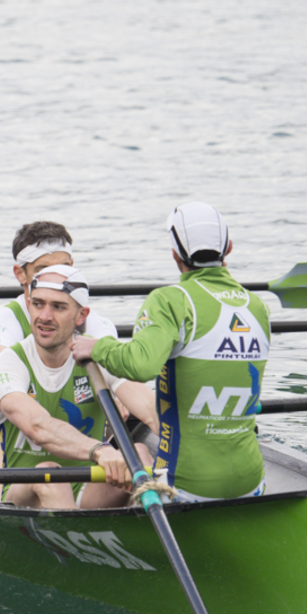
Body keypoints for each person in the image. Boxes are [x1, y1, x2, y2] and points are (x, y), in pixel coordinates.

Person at [72, 202, 270, 501]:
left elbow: (141, 366)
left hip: (187, 485)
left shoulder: (170, 300)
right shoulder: (258, 306)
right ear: (228, 247)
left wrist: (98, 346)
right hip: (251, 479)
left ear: (175, 254)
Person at [0, 222, 118, 497]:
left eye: (63, 267)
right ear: (21, 274)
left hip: (57, 447)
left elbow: (122, 377)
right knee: (4, 423)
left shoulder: (95, 323)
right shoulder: (1, 326)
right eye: (42, 270)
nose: (54, 277)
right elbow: (11, 400)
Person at [0, 265, 157, 508]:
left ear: (81, 316)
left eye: (58, 307)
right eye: (38, 304)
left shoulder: (99, 356)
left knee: (139, 454)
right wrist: (100, 450)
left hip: (85, 488)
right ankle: (82, 531)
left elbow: (151, 410)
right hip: (21, 493)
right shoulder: (6, 364)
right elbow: (38, 427)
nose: (45, 316)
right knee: (47, 472)